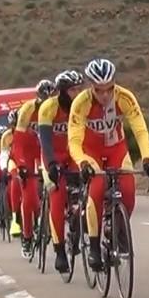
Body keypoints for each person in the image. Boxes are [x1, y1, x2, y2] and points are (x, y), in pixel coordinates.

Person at [68, 58, 149, 271]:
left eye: (109, 88)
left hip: (116, 149)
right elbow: (73, 139)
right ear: (91, 86)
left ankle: (119, 230)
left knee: (128, 191)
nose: (105, 95)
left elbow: (140, 129)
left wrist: (147, 158)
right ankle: (93, 246)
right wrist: (82, 162)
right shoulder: (81, 103)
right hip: (91, 152)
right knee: (97, 191)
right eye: (99, 90)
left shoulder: (125, 97)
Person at [38, 69, 85, 273]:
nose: (77, 94)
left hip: (75, 155)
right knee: (57, 199)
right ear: (63, 92)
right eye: (73, 90)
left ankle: (78, 227)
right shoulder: (49, 108)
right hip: (53, 157)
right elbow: (46, 142)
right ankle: (59, 252)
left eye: (79, 89)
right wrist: (50, 165)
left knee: (85, 196)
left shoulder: (83, 105)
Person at [11, 79, 56, 256]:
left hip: (47, 150)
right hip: (29, 153)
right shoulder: (28, 109)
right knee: (29, 199)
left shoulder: (57, 107)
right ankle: (27, 236)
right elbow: (19, 141)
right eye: (42, 99)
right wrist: (21, 164)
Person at [1, 110, 21, 236]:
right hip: (13, 161)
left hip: (28, 161)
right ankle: (15, 219)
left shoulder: (30, 132)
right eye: (14, 124)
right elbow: (4, 154)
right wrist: (4, 168)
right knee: (14, 180)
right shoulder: (7, 136)